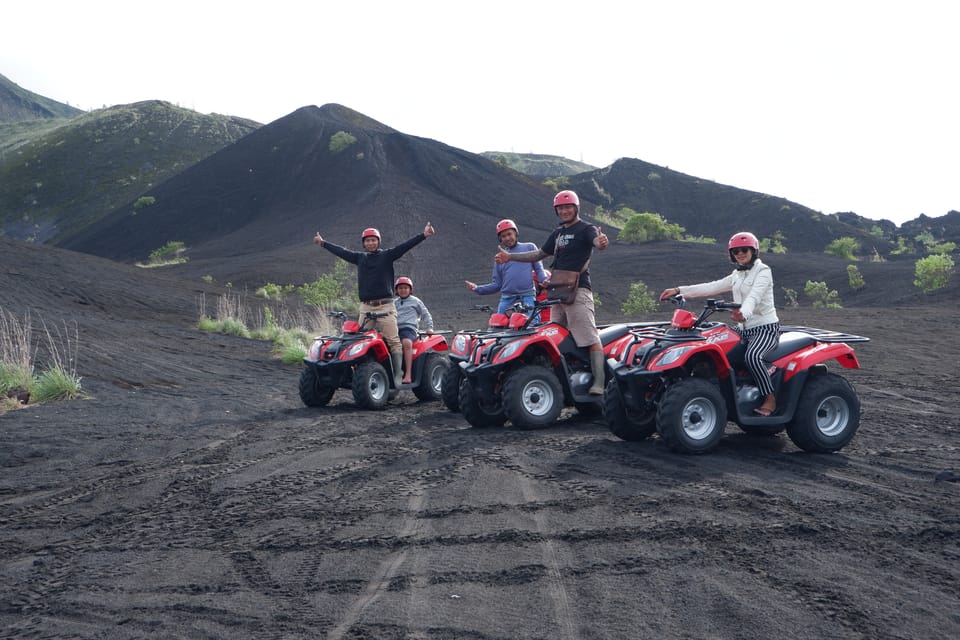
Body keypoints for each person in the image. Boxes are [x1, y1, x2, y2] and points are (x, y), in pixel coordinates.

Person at [495, 190, 609, 394]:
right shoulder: (557, 234)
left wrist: (600, 243)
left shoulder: (586, 229)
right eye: (561, 208)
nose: (565, 211)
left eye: (568, 207)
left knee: (589, 336)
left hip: (578, 289)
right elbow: (539, 254)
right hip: (557, 293)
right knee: (556, 336)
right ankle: (566, 379)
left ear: (576, 208)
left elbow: (596, 242)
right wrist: (511, 258)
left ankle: (599, 383)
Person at [659, 231, 780, 416]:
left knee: (753, 357)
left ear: (753, 251)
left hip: (764, 329)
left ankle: (769, 397)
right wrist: (678, 290)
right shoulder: (737, 275)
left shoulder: (763, 271)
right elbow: (711, 286)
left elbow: (754, 297)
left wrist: (743, 314)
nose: (740, 253)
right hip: (743, 329)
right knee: (712, 345)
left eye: (744, 249)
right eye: (736, 251)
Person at [313, 222, 435, 386]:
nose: (370, 243)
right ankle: (362, 372)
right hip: (366, 307)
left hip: (385, 306)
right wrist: (323, 243)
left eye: (373, 240)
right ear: (364, 243)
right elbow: (342, 252)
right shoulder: (359, 258)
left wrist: (424, 235)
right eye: (367, 240)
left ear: (378, 241)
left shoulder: (387, 255)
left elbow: (404, 246)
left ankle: (398, 375)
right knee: (358, 339)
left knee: (393, 340)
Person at [464, 219, 547, 316]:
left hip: (527, 294)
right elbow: (497, 284)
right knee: (498, 322)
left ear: (515, 233)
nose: (507, 238)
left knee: (531, 322)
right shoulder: (500, 258)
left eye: (509, 234)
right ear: (500, 239)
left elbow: (538, 270)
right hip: (508, 297)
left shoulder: (529, 247)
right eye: (503, 236)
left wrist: (545, 280)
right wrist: (477, 288)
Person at [393, 276, 434, 384]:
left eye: (405, 288)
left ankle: (408, 375)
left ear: (410, 289)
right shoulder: (394, 303)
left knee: (406, 342)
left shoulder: (415, 301)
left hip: (409, 328)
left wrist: (429, 327)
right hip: (395, 329)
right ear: (396, 290)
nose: (403, 290)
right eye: (400, 288)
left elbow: (426, 314)